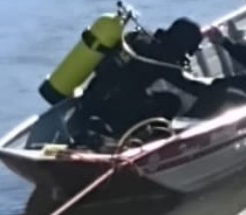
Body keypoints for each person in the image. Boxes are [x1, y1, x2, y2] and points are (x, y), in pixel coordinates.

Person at [74, 18, 207, 145]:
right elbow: (188, 87)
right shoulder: (164, 59)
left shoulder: (139, 38)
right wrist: (214, 89)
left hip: (89, 100)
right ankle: (142, 142)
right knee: (171, 102)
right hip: (112, 111)